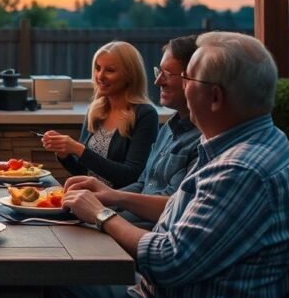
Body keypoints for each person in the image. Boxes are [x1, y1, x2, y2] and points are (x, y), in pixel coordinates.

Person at [51, 32, 289, 298]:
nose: (166, 84)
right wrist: (114, 196)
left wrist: (102, 214)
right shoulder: (242, 144)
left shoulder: (240, 170)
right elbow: (187, 211)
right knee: (39, 285)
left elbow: (167, 261)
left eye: (187, 79)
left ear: (215, 96)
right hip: (158, 293)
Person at [64, 36, 201, 228]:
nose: (158, 81)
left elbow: (173, 206)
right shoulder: (169, 128)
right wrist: (100, 197)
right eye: (159, 72)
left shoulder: (147, 115)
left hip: (144, 229)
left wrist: (105, 206)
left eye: (168, 74)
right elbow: (144, 183)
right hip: (124, 215)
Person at [42, 41, 158, 188]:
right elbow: (83, 172)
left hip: (119, 204)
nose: (100, 76)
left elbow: (131, 176)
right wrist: (64, 153)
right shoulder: (96, 110)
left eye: (110, 70)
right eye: (97, 68)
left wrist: (78, 149)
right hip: (89, 197)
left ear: (130, 75)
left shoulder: (145, 114)